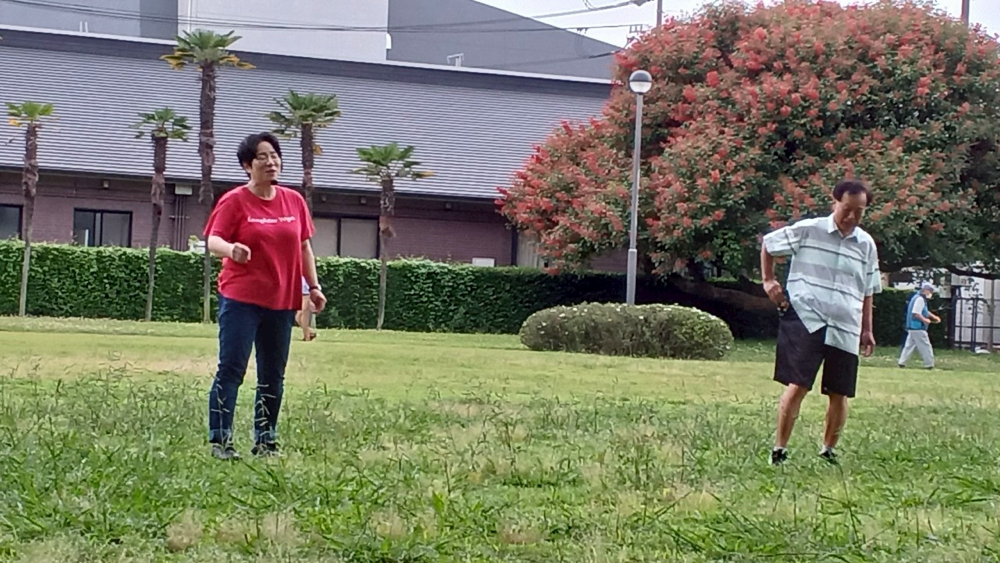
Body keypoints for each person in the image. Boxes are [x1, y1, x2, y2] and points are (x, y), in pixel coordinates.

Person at [204, 131, 327, 460]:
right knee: (232, 369)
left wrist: (313, 287)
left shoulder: (293, 201)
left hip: (281, 301)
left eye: (274, 155)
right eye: (262, 157)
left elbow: (304, 247)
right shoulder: (234, 201)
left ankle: (265, 440)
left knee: (273, 374)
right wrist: (232, 249)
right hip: (241, 298)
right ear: (247, 165)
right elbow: (213, 241)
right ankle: (221, 440)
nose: (271, 162)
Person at [760, 179, 882, 466]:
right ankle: (780, 449)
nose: (852, 217)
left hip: (846, 324)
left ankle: (828, 449)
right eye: (847, 209)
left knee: (840, 392)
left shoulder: (866, 245)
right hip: (807, 316)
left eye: (859, 211)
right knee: (798, 384)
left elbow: (868, 290)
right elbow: (769, 243)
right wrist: (769, 281)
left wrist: (867, 329)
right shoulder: (809, 230)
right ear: (835, 202)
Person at [898, 283, 940, 369]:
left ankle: (902, 362)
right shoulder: (920, 299)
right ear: (925, 290)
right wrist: (925, 320)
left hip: (912, 327)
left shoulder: (916, 298)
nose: (931, 293)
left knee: (909, 345)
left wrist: (934, 317)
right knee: (925, 345)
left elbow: (924, 311)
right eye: (930, 291)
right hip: (917, 327)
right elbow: (916, 313)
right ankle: (929, 364)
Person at [295, 276, 317, 342]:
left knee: (303, 314)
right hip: (301, 291)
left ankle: (307, 336)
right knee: (298, 317)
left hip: (306, 292)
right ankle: (310, 332)